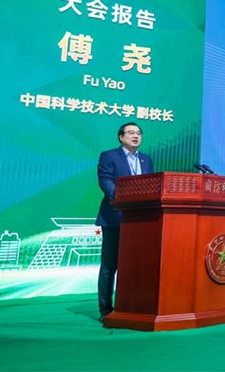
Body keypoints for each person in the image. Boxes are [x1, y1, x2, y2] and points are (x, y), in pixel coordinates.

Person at [96, 122, 154, 321]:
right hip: (115, 217)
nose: (136, 136)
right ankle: (106, 309)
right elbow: (105, 180)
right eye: (131, 133)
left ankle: (132, 305)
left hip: (140, 221)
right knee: (109, 265)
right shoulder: (109, 156)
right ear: (121, 137)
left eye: (138, 133)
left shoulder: (146, 160)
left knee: (136, 264)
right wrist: (122, 198)